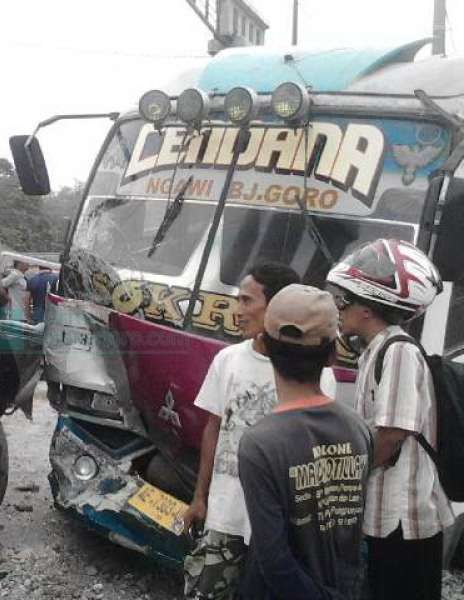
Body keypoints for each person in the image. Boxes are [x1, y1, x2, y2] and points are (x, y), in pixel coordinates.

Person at [182, 261, 337, 599]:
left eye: (247, 301)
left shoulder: (316, 373)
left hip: (281, 529)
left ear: (279, 307)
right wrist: (199, 497)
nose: (238, 310)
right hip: (226, 515)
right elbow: (214, 428)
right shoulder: (228, 360)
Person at [326, 238, 454, 600]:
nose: (339, 308)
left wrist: (345, 482)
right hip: (386, 513)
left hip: (404, 518)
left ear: (367, 309)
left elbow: (392, 434)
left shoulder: (397, 352)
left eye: (344, 300)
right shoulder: (376, 350)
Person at [237, 284, 372, 600]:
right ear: (332, 355)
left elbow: (274, 560)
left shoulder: (260, 444)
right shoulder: (359, 429)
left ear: (265, 346)